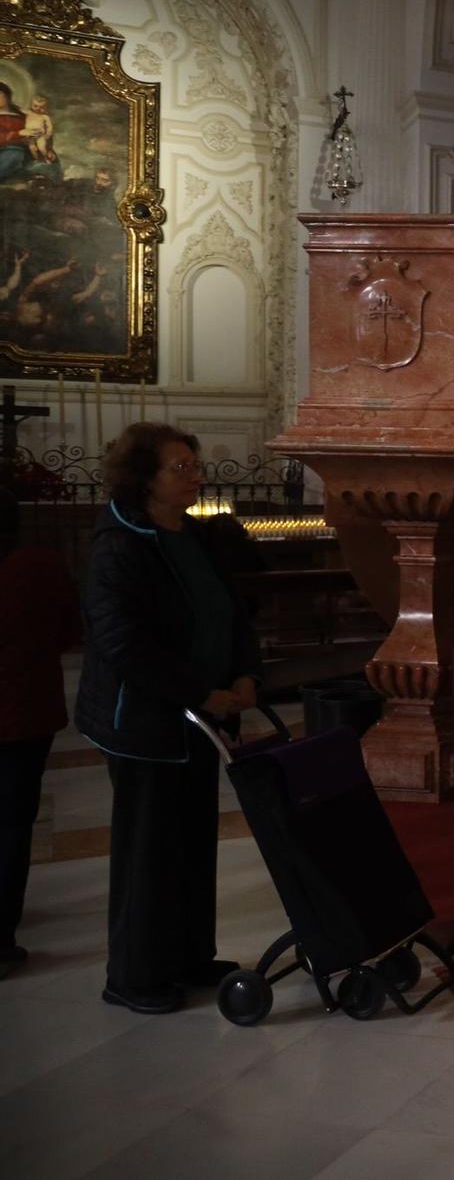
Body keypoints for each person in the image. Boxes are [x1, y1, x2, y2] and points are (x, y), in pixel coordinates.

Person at [74, 423, 261, 1013]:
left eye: (194, 463)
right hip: (145, 725)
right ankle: (133, 976)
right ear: (144, 478)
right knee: (149, 849)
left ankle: (187, 956)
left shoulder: (198, 537)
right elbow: (122, 644)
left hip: (199, 722)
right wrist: (199, 691)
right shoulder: (120, 545)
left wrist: (245, 673)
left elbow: (232, 612)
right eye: (180, 467)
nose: (195, 473)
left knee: (191, 841)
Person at [0, 492, 81, 977]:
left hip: (22, 711)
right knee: (11, 824)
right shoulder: (38, 567)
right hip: (23, 713)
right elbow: (68, 632)